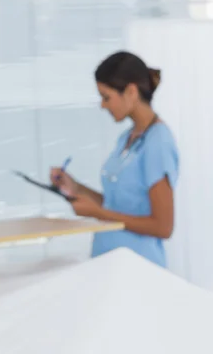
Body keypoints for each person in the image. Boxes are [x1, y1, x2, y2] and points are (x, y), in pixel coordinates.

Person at [50, 51, 179, 268]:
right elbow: (116, 206)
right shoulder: (126, 139)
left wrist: (98, 214)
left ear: (130, 91)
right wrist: (76, 188)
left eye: (106, 97)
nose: (103, 105)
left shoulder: (158, 143)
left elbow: (163, 226)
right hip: (110, 267)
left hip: (139, 269)